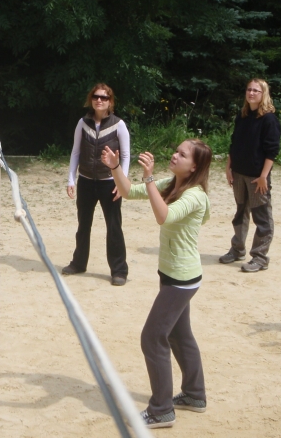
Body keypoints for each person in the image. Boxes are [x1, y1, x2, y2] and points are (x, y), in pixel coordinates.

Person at [101, 138, 212, 428]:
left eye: (182, 154)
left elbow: (164, 216)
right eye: (176, 151)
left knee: (152, 337)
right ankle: (195, 395)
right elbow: (127, 191)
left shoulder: (195, 195)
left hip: (182, 280)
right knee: (179, 335)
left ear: (194, 166)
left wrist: (149, 178)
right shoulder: (173, 184)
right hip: (171, 275)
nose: (175, 155)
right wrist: (115, 167)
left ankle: (162, 409)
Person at [62, 83, 130, 286]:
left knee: (114, 227)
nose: (99, 100)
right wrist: (71, 179)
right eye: (96, 96)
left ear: (110, 101)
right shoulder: (83, 123)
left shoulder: (119, 125)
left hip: (109, 182)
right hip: (86, 181)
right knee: (83, 225)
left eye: (104, 97)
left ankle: (119, 271)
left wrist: (122, 182)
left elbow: (126, 156)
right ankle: (78, 263)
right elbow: (76, 152)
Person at [219, 78, 281, 272]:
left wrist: (263, 176)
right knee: (240, 213)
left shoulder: (269, 119)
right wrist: (229, 167)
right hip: (239, 173)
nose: (251, 93)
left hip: (257, 177)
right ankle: (237, 249)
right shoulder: (243, 115)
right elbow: (234, 143)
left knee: (262, 217)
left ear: (263, 94)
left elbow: (272, 151)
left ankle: (260, 257)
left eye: (256, 90)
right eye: (249, 90)